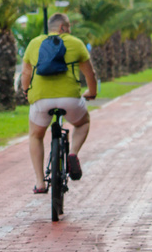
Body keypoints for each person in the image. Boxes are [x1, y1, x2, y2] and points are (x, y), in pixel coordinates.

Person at [21, 13, 98, 194]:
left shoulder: (34, 43)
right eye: (68, 27)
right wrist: (92, 93)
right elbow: (90, 74)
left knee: (36, 135)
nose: (69, 30)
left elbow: (25, 73)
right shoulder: (75, 43)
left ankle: (40, 183)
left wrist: (27, 93)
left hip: (40, 100)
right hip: (70, 99)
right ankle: (73, 153)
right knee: (83, 123)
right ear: (62, 27)